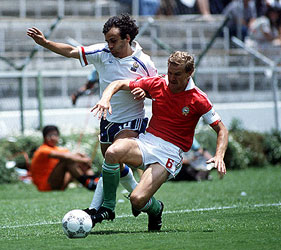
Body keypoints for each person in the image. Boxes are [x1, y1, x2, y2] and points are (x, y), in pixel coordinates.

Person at [27, 14, 158, 213]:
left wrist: (145, 92)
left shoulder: (144, 62)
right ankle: (152, 207)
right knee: (114, 165)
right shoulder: (102, 52)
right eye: (107, 41)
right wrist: (45, 43)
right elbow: (71, 51)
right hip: (108, 120)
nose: (109, 45)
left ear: (127, 38)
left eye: (113, 41)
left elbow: (158, 92)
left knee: (111, 158)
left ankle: (101, 209)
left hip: (132, 120)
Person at [90, 51, 228, 231]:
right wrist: (106, 98)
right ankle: (108, 207)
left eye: (177, 74)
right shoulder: (158, 83)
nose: (171, 78)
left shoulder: (198, 98)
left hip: (170, 153)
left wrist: (219, 155)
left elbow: (221, 129)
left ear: (190, 72)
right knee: (112, 152)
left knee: (137, 200)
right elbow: (119, 83)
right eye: (170, 72)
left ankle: (156, 209)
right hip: (148, 141)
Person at [30, 125, 99, 192]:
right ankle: (88, 182)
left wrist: (82, 157)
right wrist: (84, 160)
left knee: (78, 159)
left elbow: (71, 155)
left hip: (59, 182)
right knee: (68, 160)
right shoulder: (42, 150)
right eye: (50, 135)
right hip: (46, 185)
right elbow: (66, 157)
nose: (53, 138)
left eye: (55, 135)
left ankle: (94, 181)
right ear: (44, 137)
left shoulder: (58, 149)